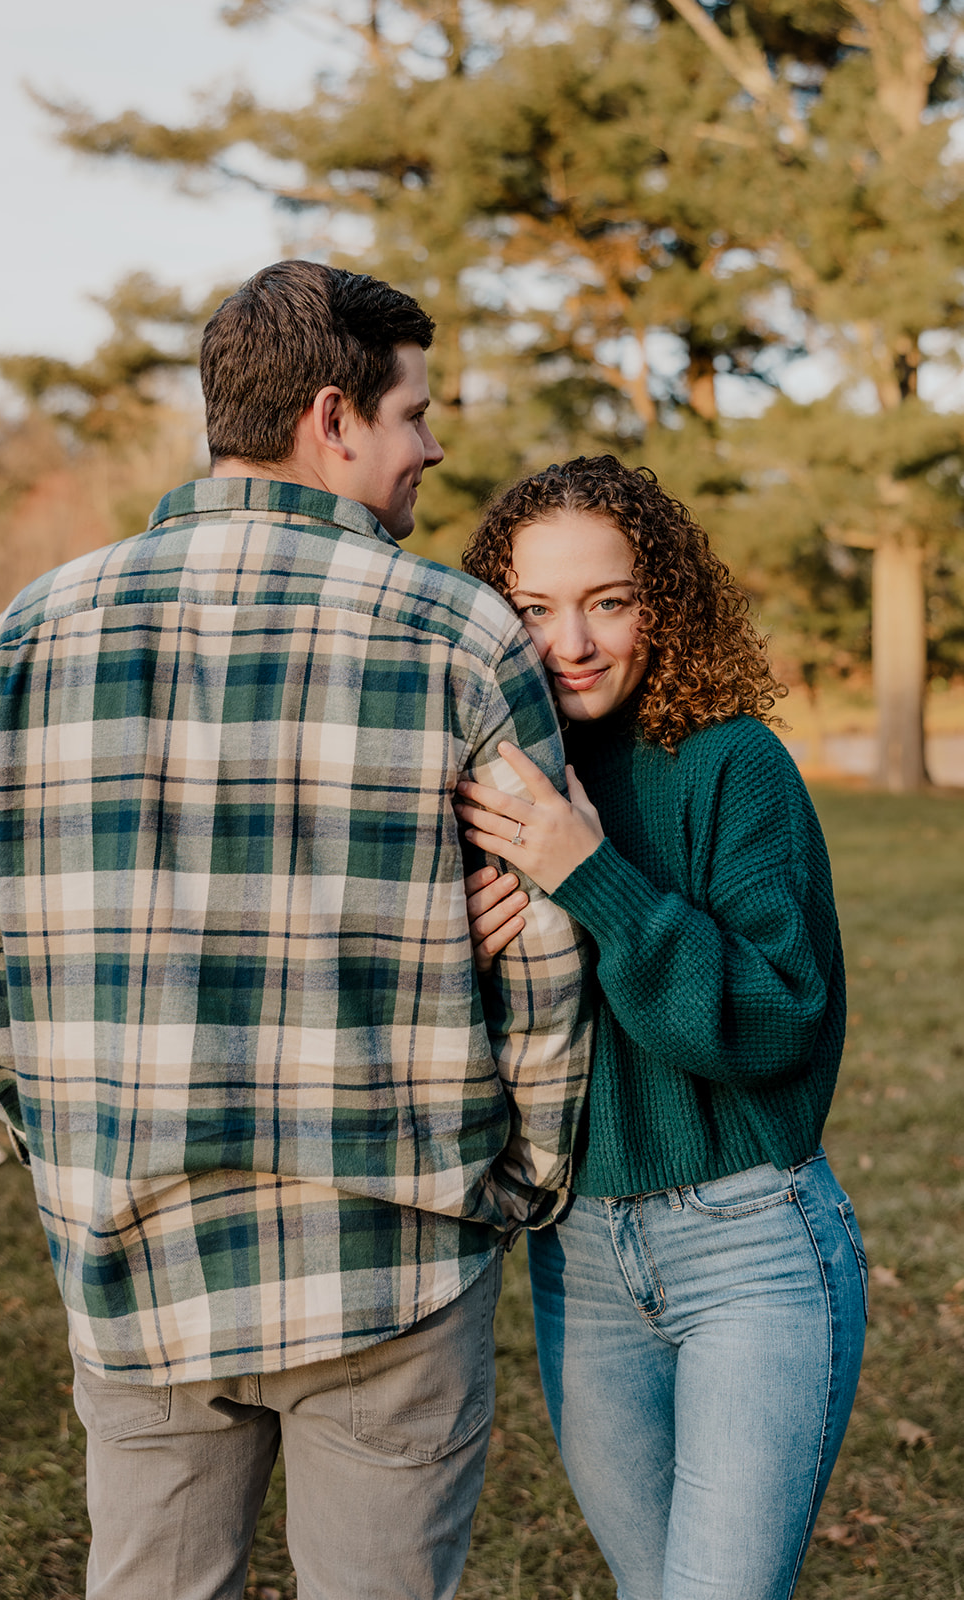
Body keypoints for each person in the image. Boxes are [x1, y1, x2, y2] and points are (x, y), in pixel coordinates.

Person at [0, 260, 589, 1600]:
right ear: (332, 416)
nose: (432, 444)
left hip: (133, 1244)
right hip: (391, 1249)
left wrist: (65, 1160)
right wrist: (519, 1178)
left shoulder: (30, 632)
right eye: (414, 411)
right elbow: (537, 940)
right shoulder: (459, 633)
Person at [455, 454, 867, 1600]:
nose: (570, 642)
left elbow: (773, 1021)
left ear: (663, 605)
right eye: (532, 609)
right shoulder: (494, 784)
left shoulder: (733, 765)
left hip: (750, 1240)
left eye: (608, 602)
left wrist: (589, 876)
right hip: (576, 1251)